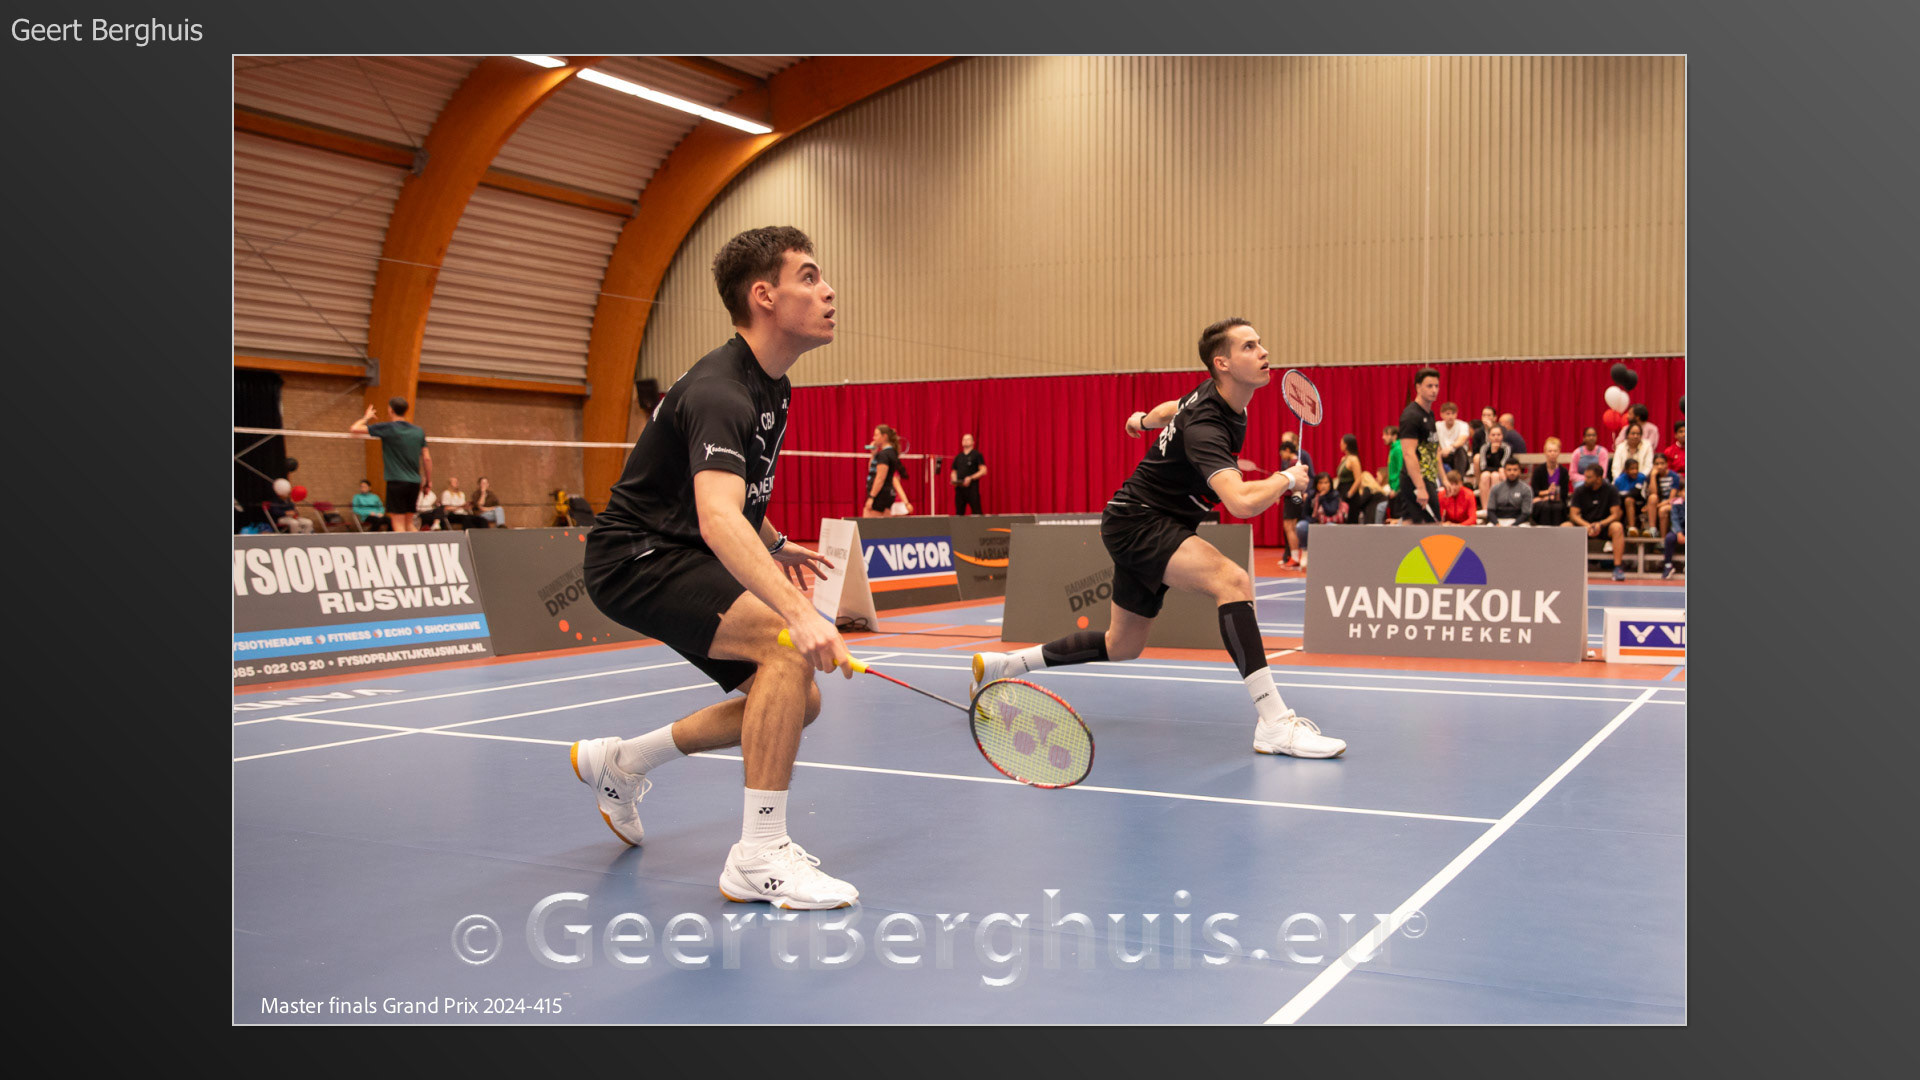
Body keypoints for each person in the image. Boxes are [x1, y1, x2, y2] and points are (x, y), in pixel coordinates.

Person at [569, 225, 859, 910]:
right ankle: (758, 856)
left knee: (797, 701)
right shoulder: (721, 390)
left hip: (677, 551)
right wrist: (798, 613)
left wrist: (777, 543)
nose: (828, 290)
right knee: (785, 646)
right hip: (636, 558)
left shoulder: (772, 386)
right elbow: (716, 516)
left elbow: (735, 494)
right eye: (809, 276)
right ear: (764, 296)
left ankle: (623, 762)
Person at [971, 318, 1343, 758]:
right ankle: (1275, 724)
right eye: (1249, 346)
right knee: (1232, 581)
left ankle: (1003, 666)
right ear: (1222, 363)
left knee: (1122, 645)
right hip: (1142, 521)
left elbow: (1173, 408)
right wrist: (1286, 479)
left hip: (1143, 519)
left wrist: (1143, 420)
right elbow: (1241, 502)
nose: (1263, 352)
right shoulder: (1208, 426)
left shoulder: (1219, 398)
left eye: (1260, 343)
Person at [351, 396, 431, 532]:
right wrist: (428, 482)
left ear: (390, 410)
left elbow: (354, 428)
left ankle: (404, 547)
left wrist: (366, 417)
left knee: (398, 525)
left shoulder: (387, 428)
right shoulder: (419, 431)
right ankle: (420, 545)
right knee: (409, 524)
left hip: (397, 482)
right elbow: (427, 458)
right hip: (414, 483)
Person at [1394, 369, 1444, 525]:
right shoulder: (1411, 416)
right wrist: (1420, 488)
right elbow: (1409, 454)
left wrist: (1444, 479)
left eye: (1436, 386)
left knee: (1411, 522)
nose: (1434, 390)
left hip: (1428, 477)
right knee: (1434, 526)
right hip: (1416, 479)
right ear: (1418, 387)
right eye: (1429, 386)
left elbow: (1434, 450)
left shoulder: (1430, 414)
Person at [1568, 463, 1628, 581]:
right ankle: (1567, 568)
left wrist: (1600, 524)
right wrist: (1587, 526)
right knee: (1566, 527)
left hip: (1604, 526)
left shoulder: (1611, 490)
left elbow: (1615, 514)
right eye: (1585, 476)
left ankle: (1618, 568)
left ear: (1599, 478)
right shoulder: (1580, 490)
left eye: (1589, 477)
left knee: (1617, 527)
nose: (1585, 480)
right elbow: (1573, 515)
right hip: (1584, 526)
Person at [1337, 433, 1388, 527]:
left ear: (1346, 444)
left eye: (1342, 443)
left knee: (1351, 521)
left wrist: (1350, 493)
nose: (1340, 445)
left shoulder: (1354, 459)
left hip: (1350, 493)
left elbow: (1358, 479)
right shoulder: (1343, 459)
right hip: (1342, 491)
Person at [1296, 472, 1346, 567]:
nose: (1323, 485)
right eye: (1321, 483)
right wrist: (1313, 521)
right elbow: (1304, 514)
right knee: (1301, 526)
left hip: (1329, 522)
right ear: (1316, 484)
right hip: (1314, 522)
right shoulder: (1311, 495)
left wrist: (1322, 499)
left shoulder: (1334, 495)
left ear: (1330, 484)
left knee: (1331, 527)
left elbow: (1331, 511)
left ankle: (1328, 556)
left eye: (1326, 482)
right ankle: (1305, 551)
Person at [863, 424, 912, 517]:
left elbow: (880, 478)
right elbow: (872, 470)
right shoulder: (890, 453)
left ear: (884, 436)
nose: (874, 438)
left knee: (868, 522)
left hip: (879, 496)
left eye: (876, 435)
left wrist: (871, 497)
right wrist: (874, 454)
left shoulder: (884, 455)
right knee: (885, 524)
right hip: (886, 496)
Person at [1472, 424, 1517, 513]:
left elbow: (1502, 466)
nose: (1496, 437)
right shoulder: (1484, 448)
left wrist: (1495, 453)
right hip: (1488, 472)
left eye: (1498, 435)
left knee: (1495, 476)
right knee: (1485, 476)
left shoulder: (1506, 448)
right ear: (1489, 437)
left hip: (1501, 474)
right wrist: (1493, 454)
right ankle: (1485, 508)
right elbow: (1483, 467)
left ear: (1502, 436)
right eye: (1493, 435)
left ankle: (1494, 507)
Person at [1529, 437, 1573, 527]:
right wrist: (1547, 492)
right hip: (1541, 502)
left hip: (1558, 502)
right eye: (1550, 451)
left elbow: (1564, 493)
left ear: (1559, 452)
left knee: (1557, 507)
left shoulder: (1563, 471)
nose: (1552, 454)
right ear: (1545, 452)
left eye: (1555, 451)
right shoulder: (1538, 470)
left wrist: (1551, 496)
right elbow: (1534, 491)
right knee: (1545, 507)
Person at [1486, 459, 1535, 525]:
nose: (1512, 472)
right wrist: (1497, 523)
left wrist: (1514, 525)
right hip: (1499, 520)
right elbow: (1490, 510)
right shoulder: (1495, 488)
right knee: (1489, 526)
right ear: (1504, 471)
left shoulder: (1526, 489)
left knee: (1524, 527)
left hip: (1519, 522)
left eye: (1515, 470)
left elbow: (1526, 513)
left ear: (1519, 471)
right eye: (1509, 470)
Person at [950, 433, 986, 516]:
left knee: (976, 513)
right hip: (960, 488)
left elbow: (983, 470)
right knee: (959, 513)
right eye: (964, 439)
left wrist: (970, 478)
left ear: (973, 442)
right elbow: (954, 471)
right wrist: (954, 479)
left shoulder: (977, 455)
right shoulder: (958, 457)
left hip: (972, 488)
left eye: (968, 439)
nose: (965, 441)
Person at [1435, 401, 1473, 480]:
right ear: (1442, 414)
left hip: (1458, 456)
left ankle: (1459, 480)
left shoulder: (1463, 425)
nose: (1451, 416)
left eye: (1453, 413)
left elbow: (1462, 440)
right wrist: (1440, 451)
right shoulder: (1437, 425)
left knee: (1460, 450)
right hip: (1442, 455)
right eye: (1448, 414)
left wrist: (1451, 447)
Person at [1614, 457, 1651, 536]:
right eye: (1632, 469)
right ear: (1626, 470)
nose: (1635, 471)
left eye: (1636, 468)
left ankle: (1632, 528)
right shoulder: (1619, 480)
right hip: (1622, 505)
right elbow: (1617, 497)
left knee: (1629, 500)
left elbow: (1639, 493)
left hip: (1640, 503)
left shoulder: (1642, 478)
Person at [1645, 453, 1677, 537]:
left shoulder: (1674, 476)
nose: (1659, 466)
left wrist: (1658, 506)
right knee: (1652, 497)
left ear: (1667, 464)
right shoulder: (1651, 476)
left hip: (1670, 502)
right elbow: (1653, 493)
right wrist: (1653, 476)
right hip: (1656, 502)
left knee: (1662, 510)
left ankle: (1663, 539)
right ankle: (1652, 530)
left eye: (1662, 463)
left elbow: (1671, 499)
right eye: (1656, 464)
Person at [1661, 476, 1686, 579]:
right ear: (1680, 492)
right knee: (1669, 538)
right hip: (1678, 530)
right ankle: (1668, 565)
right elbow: (1674, 519)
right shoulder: (1676, 503)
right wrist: (1679, 533)